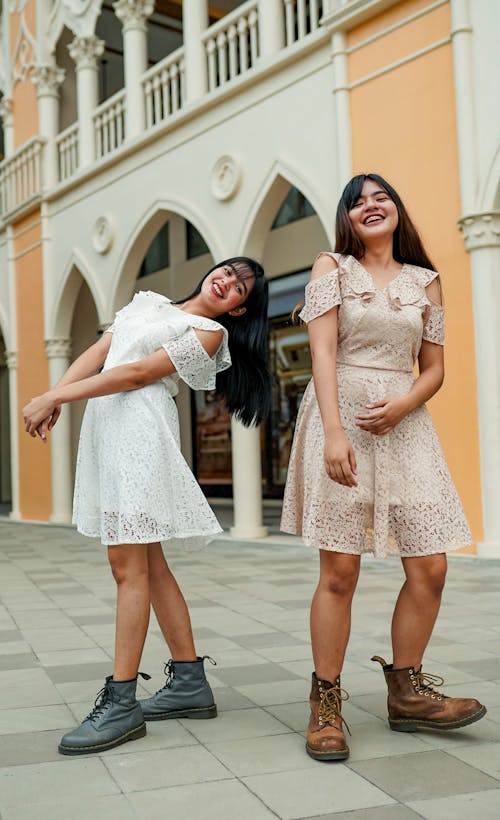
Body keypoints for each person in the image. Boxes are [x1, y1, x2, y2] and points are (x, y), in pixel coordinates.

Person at [23, 258, 270, 756]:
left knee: (127, 565)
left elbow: (136, 374)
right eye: (226, 271)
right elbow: (100, 351)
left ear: (240, 307)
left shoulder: (206, 335)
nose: (226, 281)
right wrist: (52, 395)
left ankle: (120, 702)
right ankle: (189, 683)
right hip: (109, 431)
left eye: (239, 287)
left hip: (139, 431)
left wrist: (59, 398)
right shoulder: (150, 303)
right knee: (150, 565)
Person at [281, 174, 486, 762]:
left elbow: (435, 368)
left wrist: (403, 404)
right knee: (340, 571)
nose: (371, 206)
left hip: (408, 425)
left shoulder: (427, 282)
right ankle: (325, 702)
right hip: (339, 418)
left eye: (381, 197)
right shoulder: (331, 268)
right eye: (358, 201)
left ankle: (408, 692)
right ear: (347, 219)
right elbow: (321, 351)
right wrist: (335, 433)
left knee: (432, 566)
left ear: (397, 210)